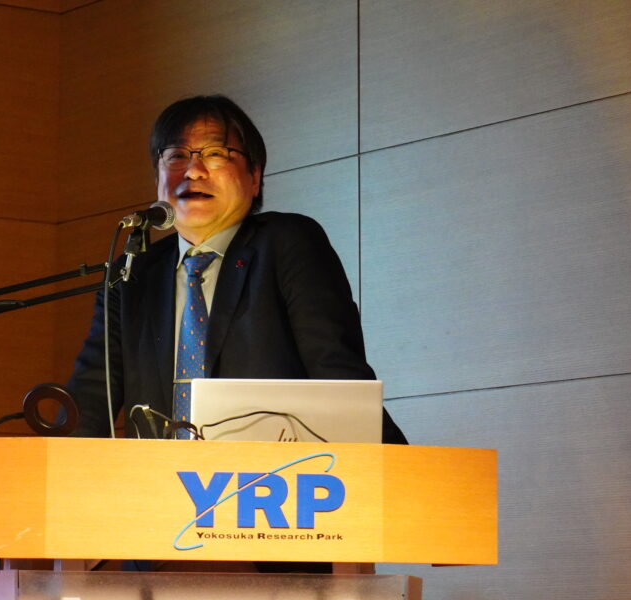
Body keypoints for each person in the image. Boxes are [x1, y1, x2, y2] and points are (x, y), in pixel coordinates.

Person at [67, 94, 406, 444]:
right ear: (157, 177)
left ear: (254, 176)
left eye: (215, 154)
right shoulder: (132, 274)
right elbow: (90, 398)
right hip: (158, 475)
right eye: (177, 156)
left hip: (273, 475)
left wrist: (392, 468)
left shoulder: (288, 243)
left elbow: (340, 380)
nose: (193, 171)